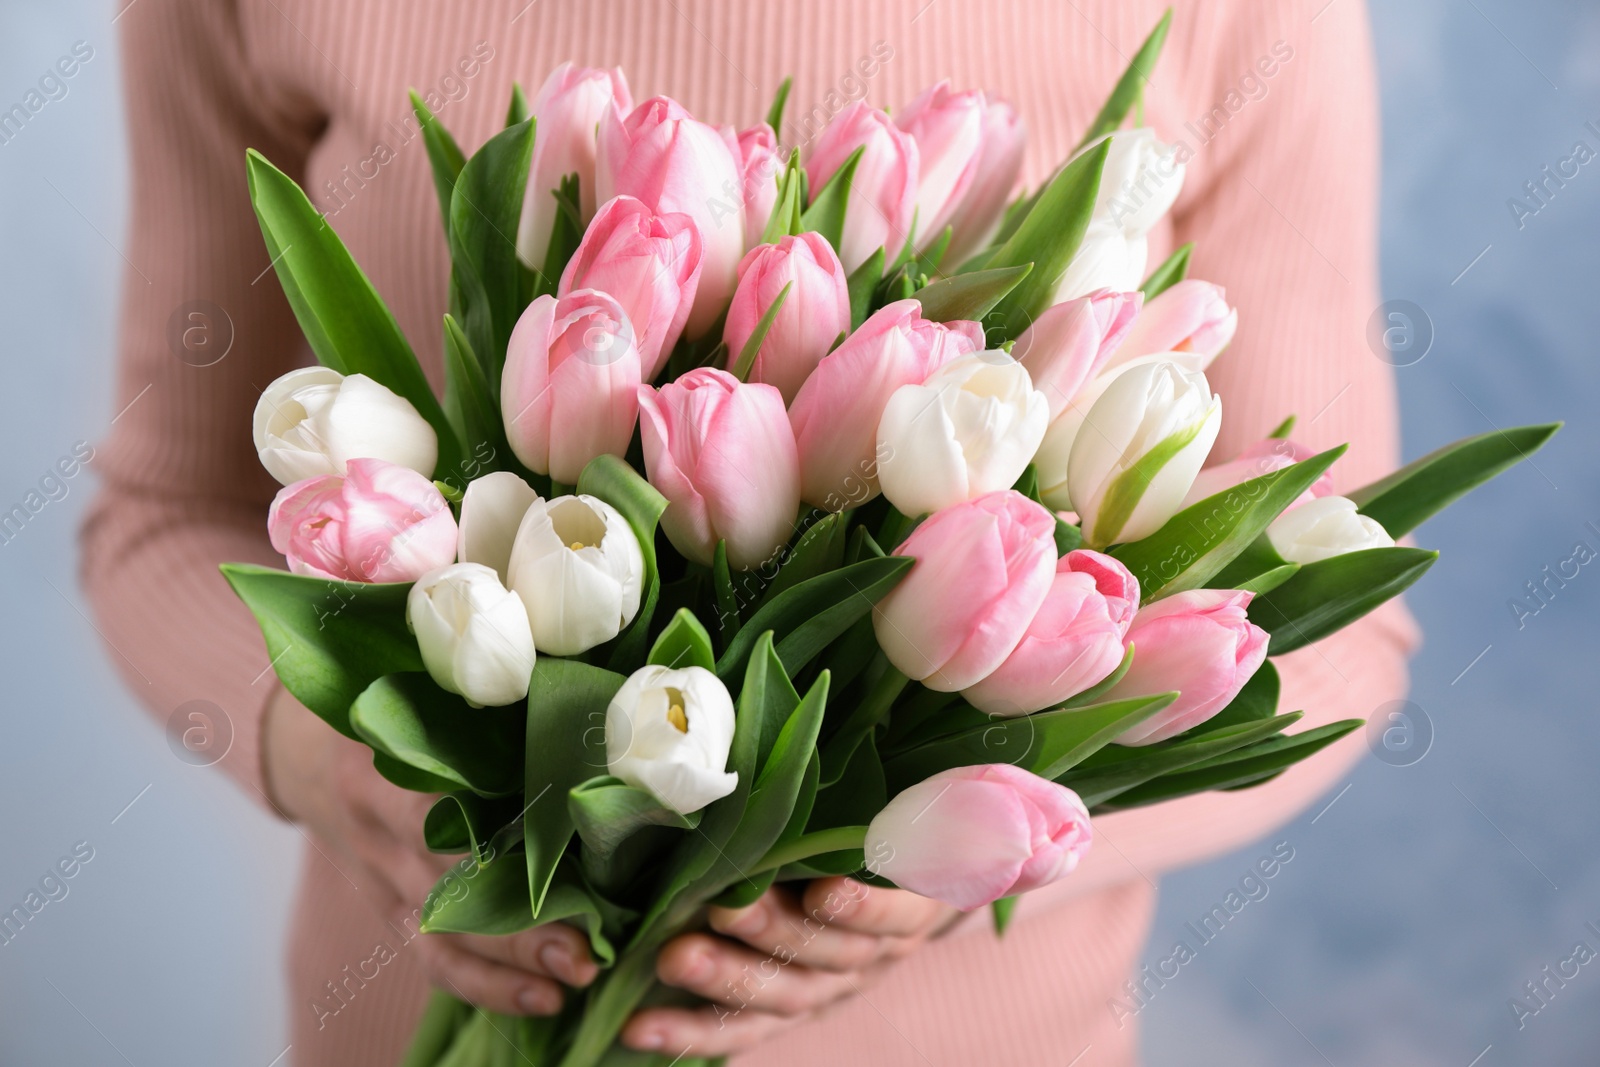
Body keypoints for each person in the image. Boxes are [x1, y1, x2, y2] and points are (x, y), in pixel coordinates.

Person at [82, 1, 1416, 1063]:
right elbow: (158, 513)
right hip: (397, 1020)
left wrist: (971, 841)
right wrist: (335, 762)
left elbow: (1338, 622)